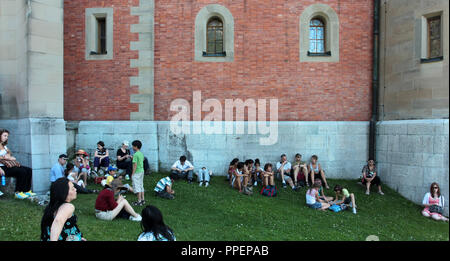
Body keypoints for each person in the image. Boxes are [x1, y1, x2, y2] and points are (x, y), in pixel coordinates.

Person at [0, 129, 35, 199]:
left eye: (7, 136)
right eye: (5, 135)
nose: (6, 137)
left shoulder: (4, 146)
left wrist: (9, 156)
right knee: (21, 172)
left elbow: (9, 154)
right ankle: (18, 192)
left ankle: (26, 190)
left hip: (8, 165)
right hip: (2, 167)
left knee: (28, 170)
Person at [131, 140, 145, 206]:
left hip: (136, 172)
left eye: (133, 146)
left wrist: (132, 174)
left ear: (136, 147)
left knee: (137, 187)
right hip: (142, 171)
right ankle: (143, 200)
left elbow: (135, 165)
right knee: (141, 185)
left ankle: (139, 201)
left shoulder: (135, 154)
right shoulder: (141, 153)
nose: (132, 147)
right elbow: (142, 160)